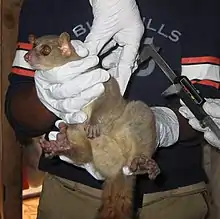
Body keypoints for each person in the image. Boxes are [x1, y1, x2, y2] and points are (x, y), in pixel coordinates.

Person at [5, 0, 220, 218]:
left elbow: (206, 110)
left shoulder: (201, 6)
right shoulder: (49, 4)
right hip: (72, 193)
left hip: (174, 197)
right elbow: (19, 114)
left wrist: (164, 125)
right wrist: (49, 94)